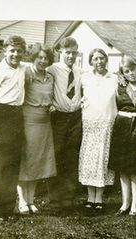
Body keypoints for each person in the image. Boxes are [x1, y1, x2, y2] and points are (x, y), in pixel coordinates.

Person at [0, 35, 27, 221]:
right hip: (1, 116)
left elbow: (43, 66)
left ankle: (8, 209)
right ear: (5, 51)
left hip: (17, 117)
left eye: (19, 51)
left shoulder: (24, 68)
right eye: (12, 51)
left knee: (12, 165)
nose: (15, 54)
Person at [16, 44, 57, 215]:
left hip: (45, 122)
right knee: (26, 161)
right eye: (39, 57)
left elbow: (51, 97)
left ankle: (31, 200)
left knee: (37, 163)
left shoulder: (50, 77)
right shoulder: (26, 73)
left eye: (46, 58)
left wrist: (53, 104)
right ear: (34, 57)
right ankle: (22, 201)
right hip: (29, 121)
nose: (43, 60)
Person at [109, 56, 136, 216]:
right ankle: (125, 203)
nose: (131, 73)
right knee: (123, 168)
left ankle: (135, 205)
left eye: (132, 69)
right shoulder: (119, 87)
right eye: (126, 71)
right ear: (123, 74)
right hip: (122, 127)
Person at [79, 48, 118, 213]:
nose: (99, 62)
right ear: (90, 61)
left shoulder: (114, 78)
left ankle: (99, 198)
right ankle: (90, 197)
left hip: (107, 122)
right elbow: (78, 95)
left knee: (103, 158)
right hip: (89, 122)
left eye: (102, 58)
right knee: (89, 158)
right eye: (95, 59)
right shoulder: (84, 78)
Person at [47, 37, 83, 212]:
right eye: (67, 52)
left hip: (76, 117)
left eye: (74, 53)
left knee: (71, 157)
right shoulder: (52, 70)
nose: (71, 56)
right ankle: (54, 200)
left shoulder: (79, 71)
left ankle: (68, 200)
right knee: (57, 156)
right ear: (60, 52)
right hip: (59, 118)